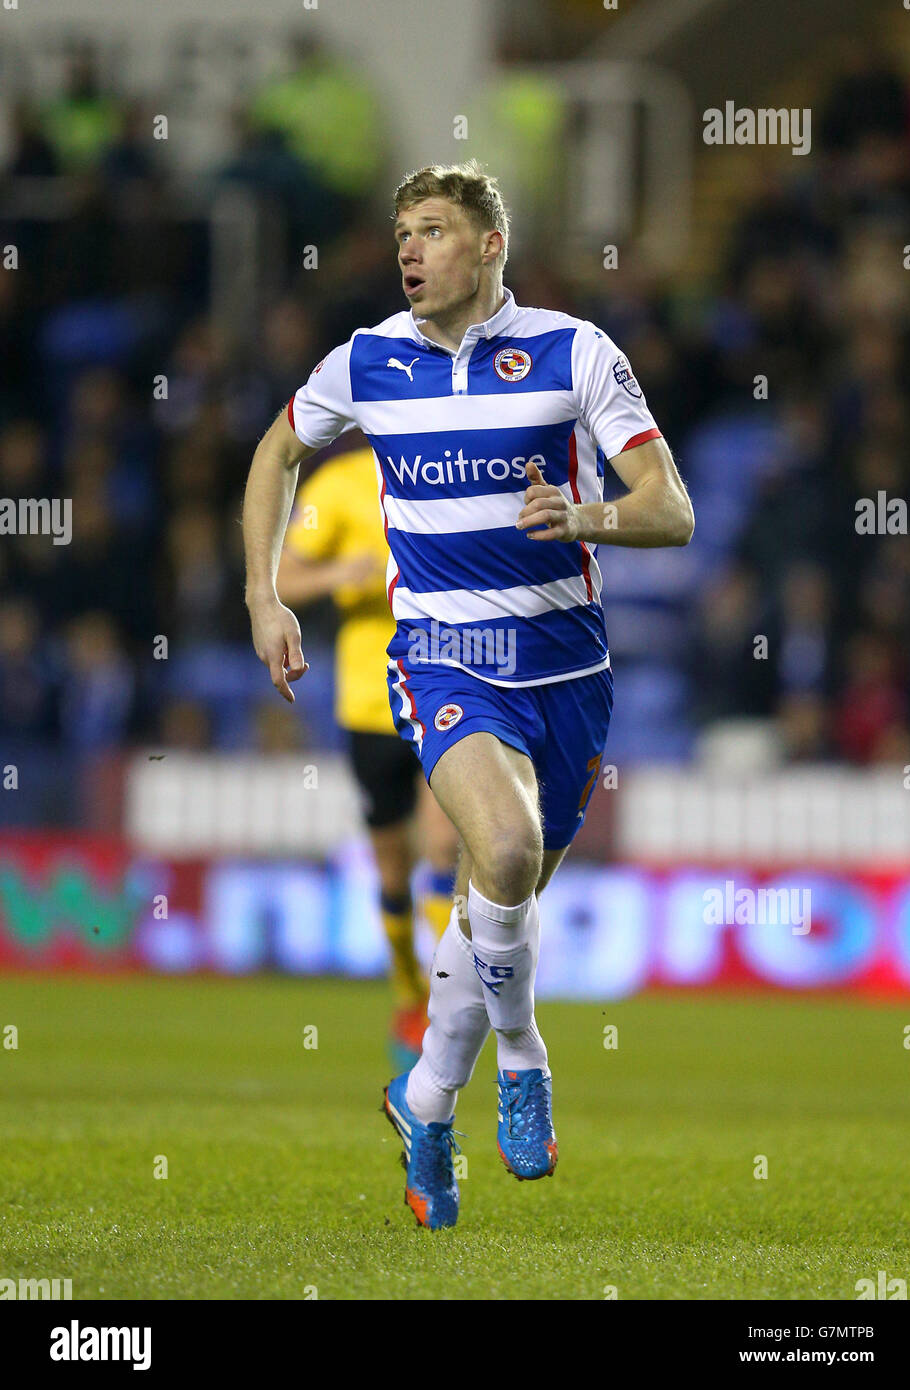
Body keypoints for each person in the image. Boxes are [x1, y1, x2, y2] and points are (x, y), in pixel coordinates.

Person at [242, 160, 694, 1230]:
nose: (409, 249)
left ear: (491, 246)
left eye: (434, 230)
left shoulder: (576, 352)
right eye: (403, 231)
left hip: (568, 669)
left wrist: (586, 520)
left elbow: (669, 509)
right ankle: (526, 1055)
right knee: (502, 852)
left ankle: (427, 1100)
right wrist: (264, 597)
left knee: (500, 903)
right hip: (442, 653)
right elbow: (275, 451)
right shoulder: (367, 363)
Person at [274, 437, 459, 1067]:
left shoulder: (450, 465)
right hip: (369, 698)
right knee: (389, 865)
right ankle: (407, 985)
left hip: (447, 689)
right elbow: (284, 576)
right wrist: (339, 574)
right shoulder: (338, 485)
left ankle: (445, 999)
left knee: (443, 845)